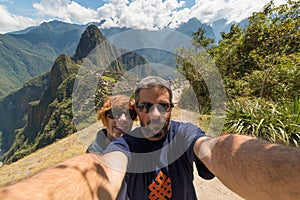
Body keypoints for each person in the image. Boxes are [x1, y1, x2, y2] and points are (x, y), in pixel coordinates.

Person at [0, 76, 299, 200]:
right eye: (145, 106)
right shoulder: (124, 145)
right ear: (137, 111)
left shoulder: (184, 134)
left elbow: (214, 149)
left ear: (171, 109)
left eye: (163, 106)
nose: (155, 114)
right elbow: (104, 167)